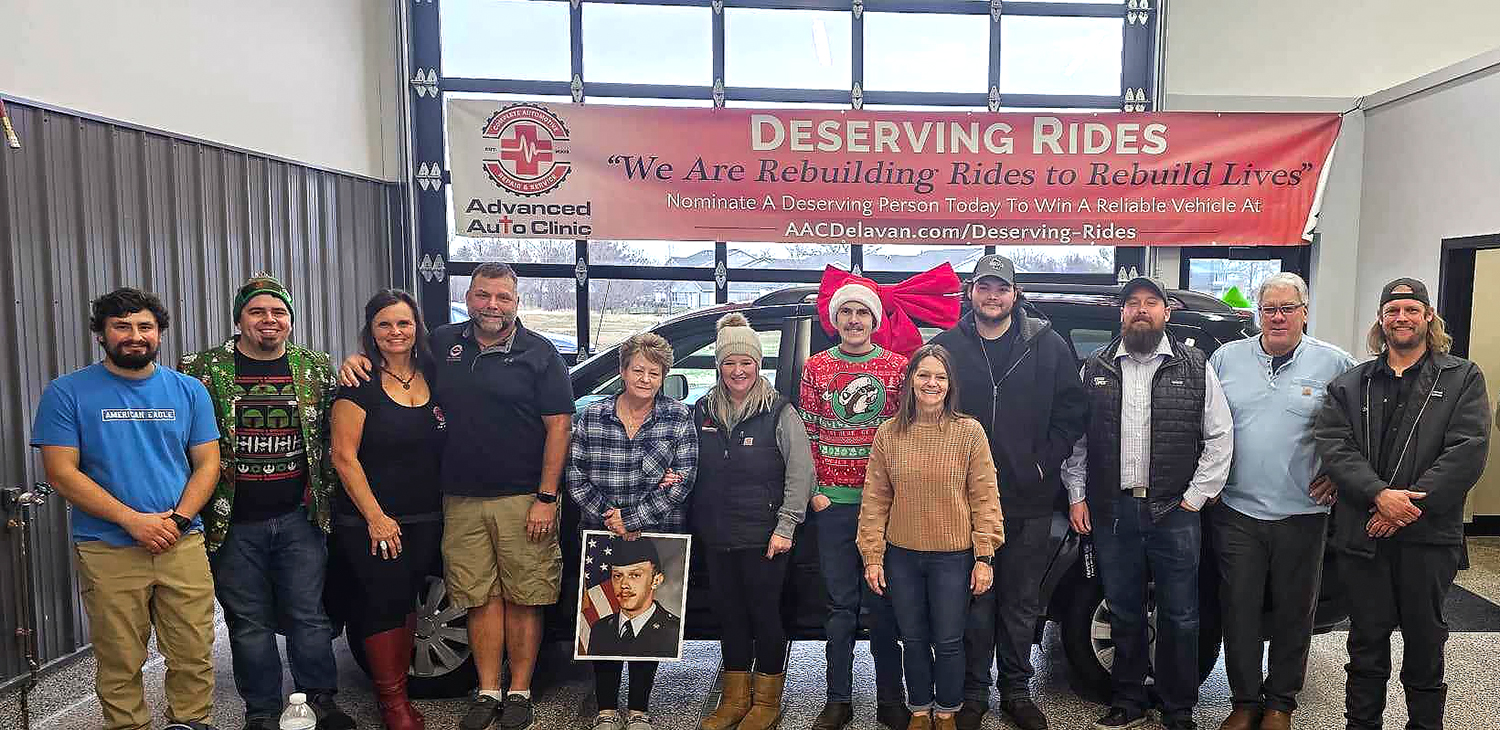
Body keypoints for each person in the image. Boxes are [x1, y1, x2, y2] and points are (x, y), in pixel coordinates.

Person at [32, 288, 222, 730]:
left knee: (193, 652)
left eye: (145, 326)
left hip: (180, 541)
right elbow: (62, 473)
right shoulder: (67, 392)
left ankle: (191, 723)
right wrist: (132, 521)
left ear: (159, 333)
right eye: (121, 326)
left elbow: (208, 464)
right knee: (120, 658)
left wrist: (177, 520)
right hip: (108, 546)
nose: (135, 335)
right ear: (101, 334)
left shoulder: (189, 390)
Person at [178, 274, 354, 730]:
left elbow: (337, 431)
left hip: (299, 517)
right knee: (248, 622)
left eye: (278, 312)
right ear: (239, 319)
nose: (268, 320)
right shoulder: (200, 370)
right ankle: (261, 710)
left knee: (308, 616)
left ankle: (321, 700)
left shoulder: (314, 367)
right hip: (231, 522)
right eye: (257, 311)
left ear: (290, 320)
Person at [1314, 278, 1491, 730]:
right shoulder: (1351, 384)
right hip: (1363, 536)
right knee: (1365, 644)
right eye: (1392, 310)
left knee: (1425, 643)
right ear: (1381, 319)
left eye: (1412, 309)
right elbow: (1335, 446)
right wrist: (1379, 495)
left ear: (1428, 317)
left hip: (1429, 538)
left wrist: (1405, 509)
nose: (1401, 318)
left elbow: (1467, 450)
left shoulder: (1462, 378)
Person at [1062, 277, 1234, 730]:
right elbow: (1078, 442)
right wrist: (1077, 495)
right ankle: (1128, 701)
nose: (1142, 310)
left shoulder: (1195, 366)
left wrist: (1195, 497)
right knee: (1123, 610)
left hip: (1175, 512)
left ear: (1166, 313)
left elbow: (1220, 436)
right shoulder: (1096, 367)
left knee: (1181, 614)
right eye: (1133, 303)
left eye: (1151, 303)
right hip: (1112, 511)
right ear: (1121, 313)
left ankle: (1178, 708)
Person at [931, 255, 1086, 730]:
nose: (993, 296)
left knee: (1020, 603)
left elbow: (1072, 412)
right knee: (973, 601)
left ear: (1015, 294)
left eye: (1001, 288)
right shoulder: (947, 347)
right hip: (963, 502)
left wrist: (1044, 463)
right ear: (971, 293)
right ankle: (974, 692)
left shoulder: (1048, 345)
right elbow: (927, 414)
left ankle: (1017, 691)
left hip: (1028, 500)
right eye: (984, 287)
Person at [1207, 273, 1356, 730]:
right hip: (1235, 511)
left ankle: (1280, 704)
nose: (1277, 317)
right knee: (1239, 610)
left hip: (1302, 513)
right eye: (1269, 308)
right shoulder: (1226, 358)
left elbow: (1362, 428)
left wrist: (1340, 473)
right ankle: (1244, 701)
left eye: (1287, 308)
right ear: (1258, 312)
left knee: (1295, 613)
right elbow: (1204, 423)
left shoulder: (1335, 363)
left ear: (1304, 312)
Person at [857, 343, 1003, 730]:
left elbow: (985, 497)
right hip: (901, 556)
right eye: (923, 375)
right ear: (910, 381)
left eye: (940, 376)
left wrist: (984, 556)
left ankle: (947, 711)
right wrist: (873, 556)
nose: (931, 383)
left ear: (950, 384)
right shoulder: (889, 434)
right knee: (914, 639)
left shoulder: (969, 433)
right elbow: (875, 499)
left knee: (950, 640)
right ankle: (920, 710)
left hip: (954, 557)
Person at [567, 332, 698, 730]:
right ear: (622, 371)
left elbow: (683, 481)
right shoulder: (592, 417)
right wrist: (611, 517)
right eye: (638, 370)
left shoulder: (678, 418)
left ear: (664, 377)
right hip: (601, 535)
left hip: (658, 535)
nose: (645, 379)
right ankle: (606, 709)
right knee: (603, 623)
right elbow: (574, 476)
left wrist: (635, 519)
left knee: (648, 628)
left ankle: (639, 709)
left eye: (654, 373)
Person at [329, 290, 445, 730]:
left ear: (417, 328)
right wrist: (376, 518)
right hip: (371, 519)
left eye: (404, 323)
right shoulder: (358, 382)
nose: (396, 332)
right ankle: (392, 705)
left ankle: (402, 694)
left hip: (425, 515)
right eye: (385, 324)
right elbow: (344, 456)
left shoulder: (433, 372)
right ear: (371, 331)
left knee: (406, 600)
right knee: (380, 604)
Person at [693, 313, 816, 730]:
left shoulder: (779, 411)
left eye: (746, 361)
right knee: (729, 616)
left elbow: (801, 473)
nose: (738, 370)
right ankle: (733, 699)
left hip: (766, 537)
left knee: (764, 615)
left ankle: (766, 702)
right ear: (718, 366)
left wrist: (786, 526)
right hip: (717, 534)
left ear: (758, 364)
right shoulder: (703, 410)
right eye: (729, 362)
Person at [800, 278, 912, 730]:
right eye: (845, 312)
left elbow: (906, 435)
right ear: (835, 320)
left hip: (883, 508)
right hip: (834, 506)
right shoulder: (817, 367)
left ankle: (891, 699)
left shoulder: (897, 369)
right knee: (840, 608)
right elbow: (807, 434)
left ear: (874, 320)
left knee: (885, 606)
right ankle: (838, 699)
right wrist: (816, 494)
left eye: (862, 312)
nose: (853, 320)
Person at [585, 537, 685, 659]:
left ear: (656, 581)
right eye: (617, 576)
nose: (624, 585)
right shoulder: (600, 630)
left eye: (635, 575)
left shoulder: (675, 632)